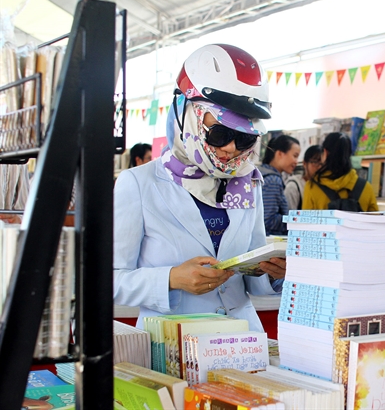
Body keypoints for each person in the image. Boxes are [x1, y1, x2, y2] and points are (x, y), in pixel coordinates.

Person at [113, 44, 286, 332]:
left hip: (242, 339)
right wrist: (171, 279)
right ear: (186, 114)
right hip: (171, 344)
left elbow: (251, 277)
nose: (231, 149)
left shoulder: (248, 183)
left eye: (243, 139)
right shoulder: (138, 184)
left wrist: (272, 274)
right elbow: (109, 281)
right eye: (220, 133)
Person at [302, 132, 378, 211]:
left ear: (325, 153)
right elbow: (376, 220)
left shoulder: (311, 187)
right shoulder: (366, 187)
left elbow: (306, 222)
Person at [259, 135, 300, 235]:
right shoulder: (273, 180)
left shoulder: (260, 173)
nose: (296, 161)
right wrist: (294, 221)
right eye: (295, 156)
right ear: (279, 154)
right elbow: (267, 220)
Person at [284, 145, 322, 211]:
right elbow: (289, 216)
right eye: (315, 162)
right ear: (304, 163)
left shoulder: (324, 186)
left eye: (322, 164)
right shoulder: (293, 187)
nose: (319, 167)